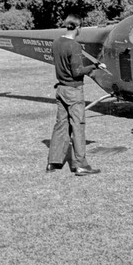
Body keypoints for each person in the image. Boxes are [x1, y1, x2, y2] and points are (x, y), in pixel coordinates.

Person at [46, 14, 106, 177]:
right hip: (74, 91)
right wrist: (94, 67)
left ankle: (53, 162)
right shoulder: (74, 46)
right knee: (78, 126)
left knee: (61, 124)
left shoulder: (56, 42)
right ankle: (81, 165)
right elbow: (77, 71)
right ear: (78, 27)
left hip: (61, 89)